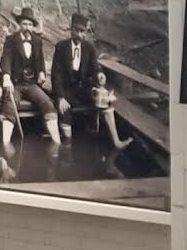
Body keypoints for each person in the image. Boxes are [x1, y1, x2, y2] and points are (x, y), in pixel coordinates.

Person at [52, 13, 134, 151]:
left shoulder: (88, 48)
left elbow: (94, 67)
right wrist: (60, 97)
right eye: (76, 30)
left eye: (82, 31)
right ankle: (67, 146)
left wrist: (100, 74)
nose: (79, 34)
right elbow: (56, 75)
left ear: (85, 32)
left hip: (83, 88)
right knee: (64, 111)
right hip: (66, 90)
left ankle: (116, 141)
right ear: (71, 29)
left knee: (105, 100)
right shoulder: (61, 47)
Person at [0, 8, 60, 147]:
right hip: (15, 83)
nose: (27, 27)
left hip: (31, 84)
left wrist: (42, 72)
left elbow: (40, 61)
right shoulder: (11, 40)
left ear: (33, 26)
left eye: (29, 24)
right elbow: (5, 60)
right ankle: (6, 144)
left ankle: (56, 143)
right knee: (9, 105)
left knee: (48, 104)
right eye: (24, 24)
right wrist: (7, 77)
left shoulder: (37, 41)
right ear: (20, 24)